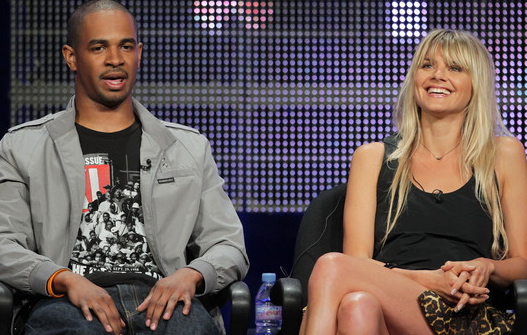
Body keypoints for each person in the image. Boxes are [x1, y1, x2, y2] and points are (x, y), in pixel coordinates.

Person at [0, 1, 249, 334]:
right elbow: (4, 243)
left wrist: (193, 274)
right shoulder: (23, 146)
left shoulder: (188, 147)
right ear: (71, 57)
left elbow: (229, 245)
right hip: (67, 302)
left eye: (126, 46)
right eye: (99, 47)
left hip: (166, 302)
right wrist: (62, 279)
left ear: (139, 53)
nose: (115, 59)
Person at [300, 29, 527, 335]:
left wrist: (488, 266)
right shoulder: (372, 157)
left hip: (465, 312)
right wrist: (427, 279)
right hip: (391, 306)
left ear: (476, 84)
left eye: (455, 68)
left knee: (331, 266)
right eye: (427, 65)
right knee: (357, 305)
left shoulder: (503, 153)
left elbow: (523, 262)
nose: (438, 76)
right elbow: (358, 262)